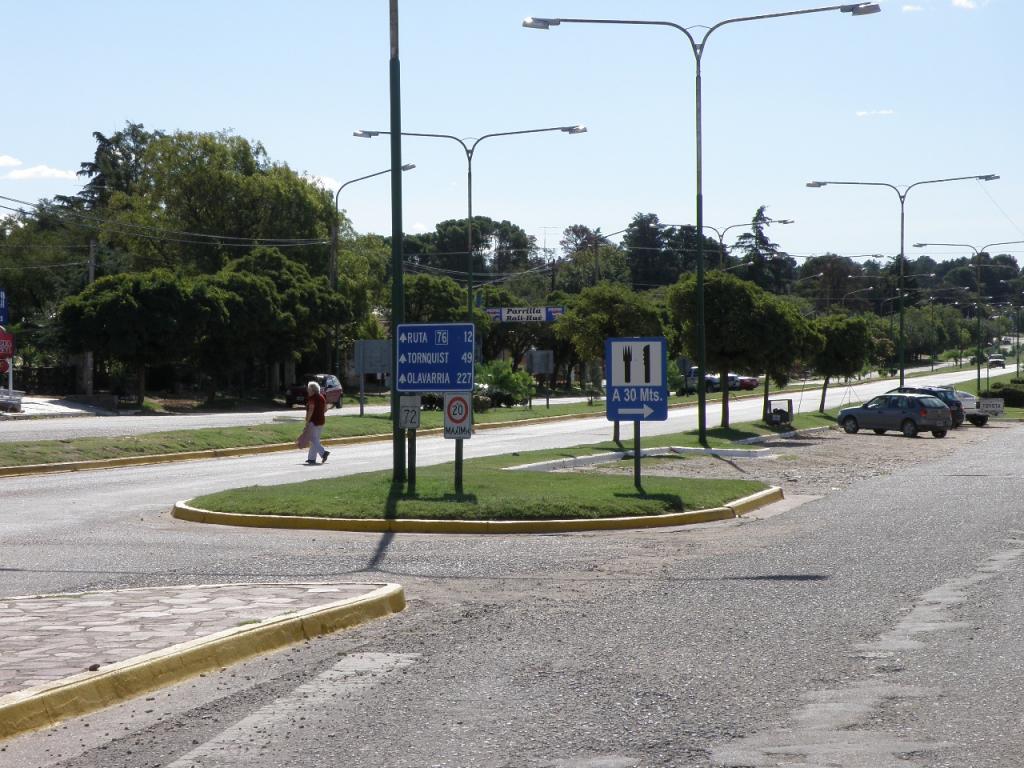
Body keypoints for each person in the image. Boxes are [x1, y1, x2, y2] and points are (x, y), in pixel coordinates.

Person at [304, 380, 330, 465]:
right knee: (315, 440)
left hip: (313, 421)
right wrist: (319, 413)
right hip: (321, 421)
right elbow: (325, 409)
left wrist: (307, 421)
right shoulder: (322, 397)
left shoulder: (312, 398)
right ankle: (311, 459)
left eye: (309, 389)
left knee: (312, 439)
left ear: (313, 390)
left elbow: (311, 410)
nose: (308, 391)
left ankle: (323, 453)